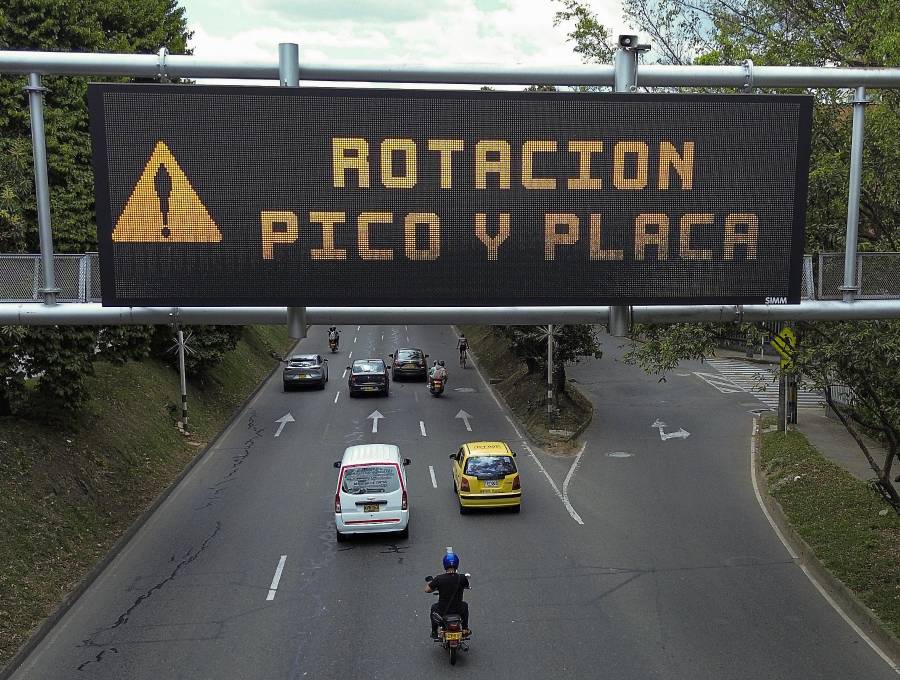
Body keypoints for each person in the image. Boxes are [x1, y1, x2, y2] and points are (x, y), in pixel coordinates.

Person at [425, 549, 470, 639]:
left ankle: (434, 631)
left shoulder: (439, 579)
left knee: (434, 608)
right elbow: (467, 585)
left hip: (443, 609)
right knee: (465, 605)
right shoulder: (462, 578)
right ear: (457, 564)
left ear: (444, 564)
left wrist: (434, 585)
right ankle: (465, 628)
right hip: (458, 609)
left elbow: (427, 590)